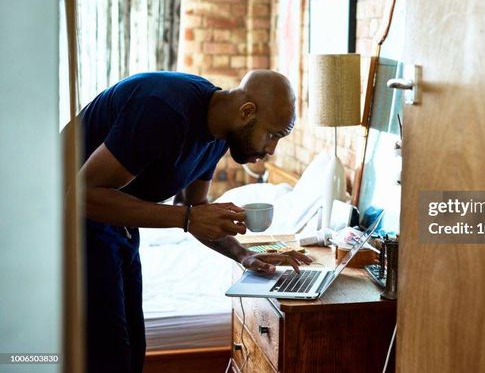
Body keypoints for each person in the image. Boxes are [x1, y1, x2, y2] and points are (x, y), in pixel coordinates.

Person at [71, 70, 311, 373]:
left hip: (116, 222)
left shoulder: (219, 133)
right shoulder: (163, 110)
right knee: (110, 356)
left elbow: (193, 205)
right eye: (273, 134)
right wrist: (186, 218)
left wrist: (244, 254)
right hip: (68, 218)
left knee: (133, 350)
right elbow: (82, 195)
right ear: (247, 112)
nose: (271, 150)